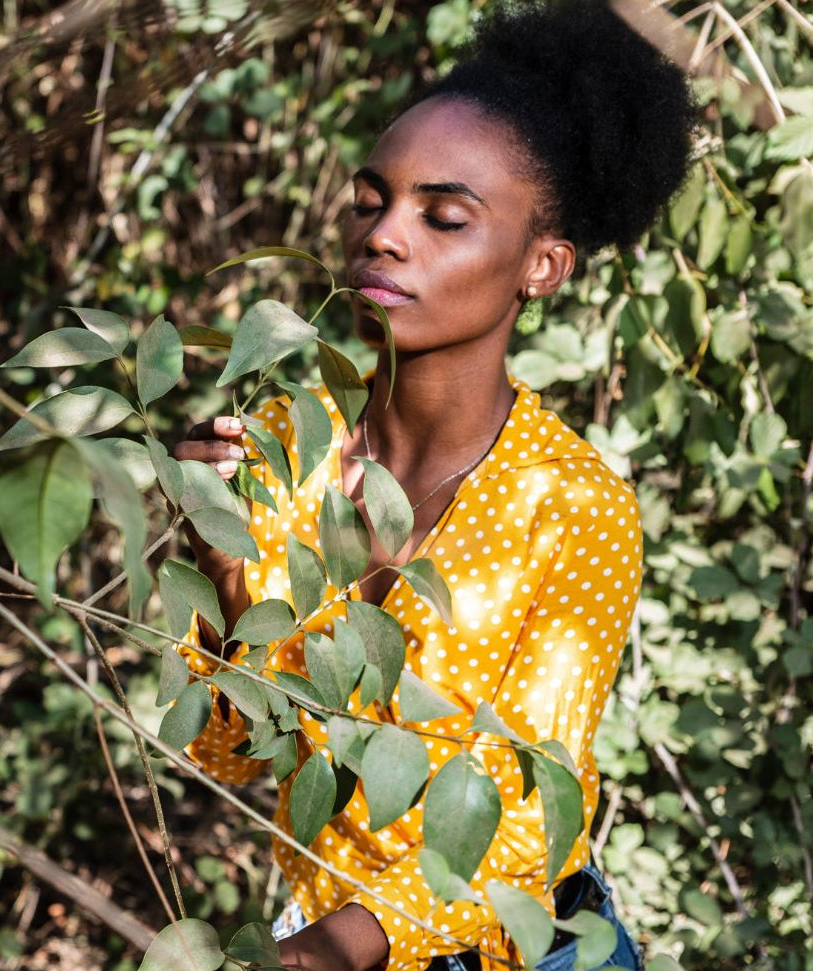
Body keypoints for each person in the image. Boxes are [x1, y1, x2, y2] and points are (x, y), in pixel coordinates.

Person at [171, 2, 696, 969]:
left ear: (543, 265)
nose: (385, 236)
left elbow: (520, 816)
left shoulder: (573, 506)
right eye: (371, 202)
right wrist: (216, 567)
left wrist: (325, 953)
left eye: (444, 217)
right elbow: (237, 751)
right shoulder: (288, 437)